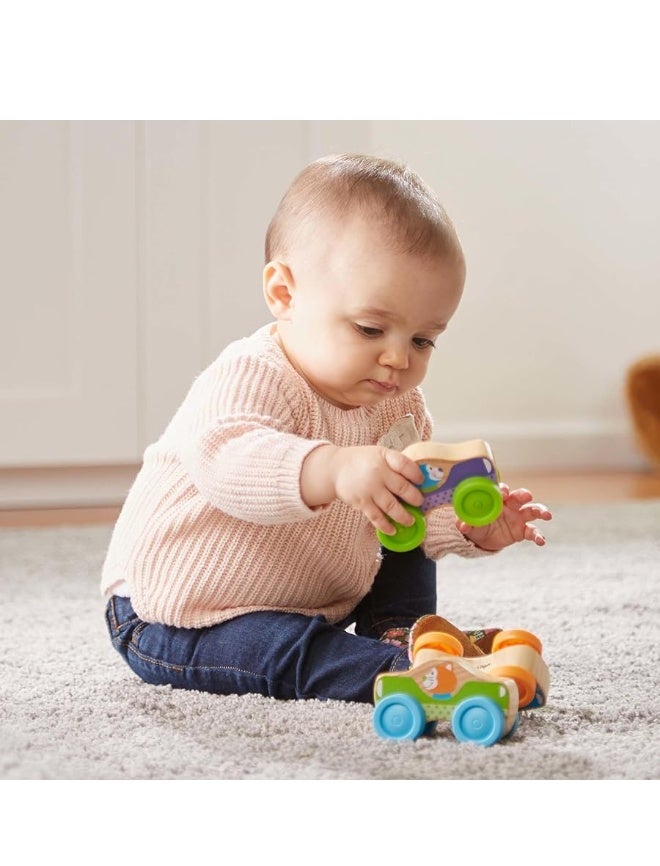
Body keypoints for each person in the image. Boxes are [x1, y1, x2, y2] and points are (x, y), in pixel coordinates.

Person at [102, 153, 552, 704]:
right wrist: (334, 468)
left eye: (422, 340)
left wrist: (468, 527)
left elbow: (417, 515)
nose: (397, 359)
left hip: (308, 592)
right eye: (370, 328)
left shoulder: (399, 408)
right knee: (285, 651)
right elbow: (229, 462)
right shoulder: (251, 374)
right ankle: (390, 671)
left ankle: (405, 635)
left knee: (400, 504)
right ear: (284, 295)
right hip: (181, 612)